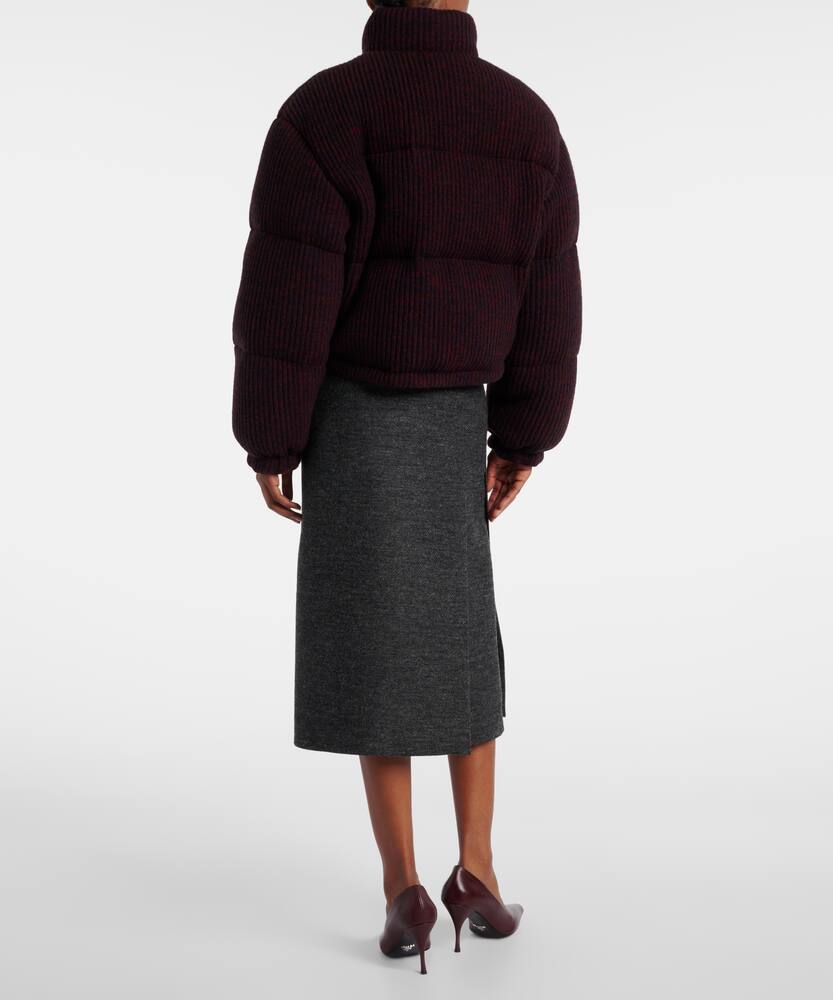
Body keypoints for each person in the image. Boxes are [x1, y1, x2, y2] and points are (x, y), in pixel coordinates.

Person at [231, 0, 581, 974]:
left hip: (351, 420)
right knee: (462, 644)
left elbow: (286, 294)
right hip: (457, 420)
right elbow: (550, 302)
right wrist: (523, 436)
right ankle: (478, 871)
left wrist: (270, 437)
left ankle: (404, 890)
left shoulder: (324, 113)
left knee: (370, 646)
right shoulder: (522, 120)